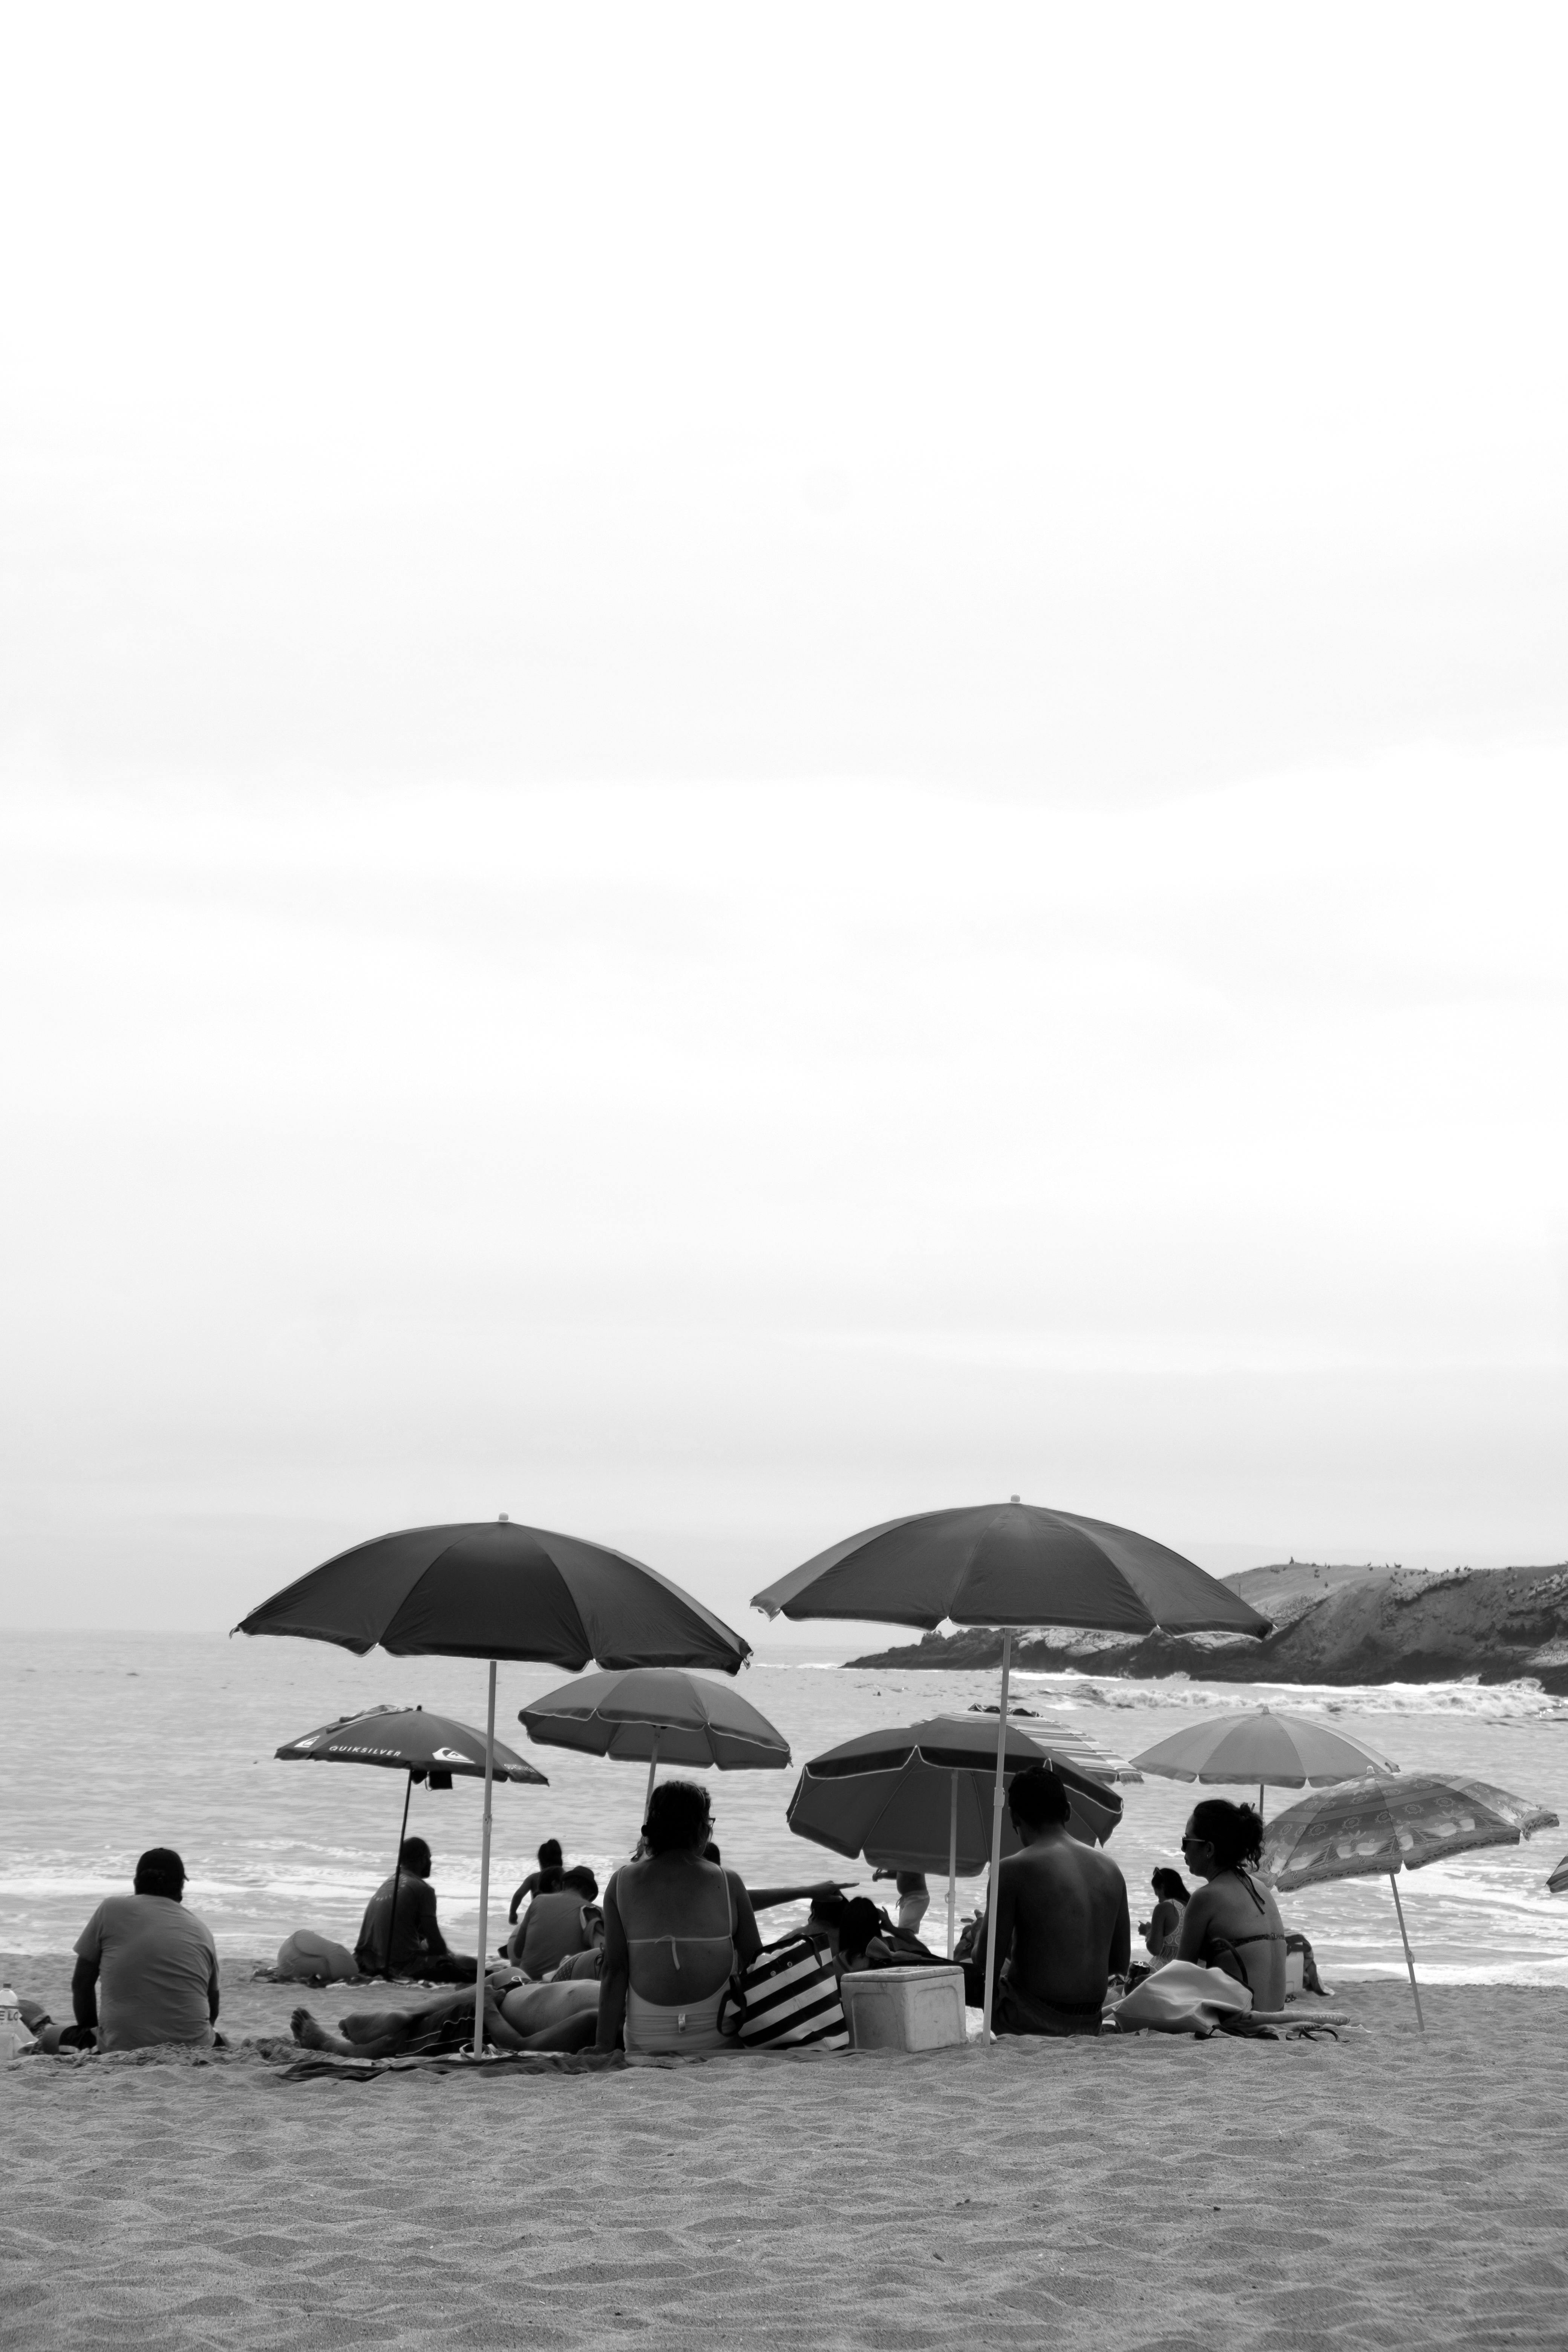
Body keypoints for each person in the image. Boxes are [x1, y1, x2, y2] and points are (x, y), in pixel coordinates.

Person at [596, 1780, 761, 2055]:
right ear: (701, 1828)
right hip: (719, 2040)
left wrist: (602, 2046)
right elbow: (757, 1963)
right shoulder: (728, 1882)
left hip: (646, 2041)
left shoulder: (622, 1882)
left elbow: (615, 1970)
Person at [972, 1764, 1130, 2037]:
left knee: (964, 1966)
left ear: (1014, 1817)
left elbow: (987, 1964)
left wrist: (978, 1935)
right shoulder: (1111, 1870)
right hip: (1089, 2020)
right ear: (1067, 1810)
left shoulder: (1011, 1869)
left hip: (1030, 2017)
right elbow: (1118, 1964)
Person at [69, 1848, 220, 2053]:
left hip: (121, 2048)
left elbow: (81, 1984)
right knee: (221, 2039)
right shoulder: (202, 1930)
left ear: (136, 1883)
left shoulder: (111, 1909)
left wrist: (89, 2031)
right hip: (195, 2048)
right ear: (181, 1887)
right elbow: (212, 2006)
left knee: (52, 2037)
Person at [291, 1970, 600, 2058]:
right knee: (507, 1973)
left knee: (401, 2039)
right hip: (517, 1991)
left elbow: (523, 2047)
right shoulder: (614, 2012)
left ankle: (339, 2048)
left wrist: (487, 2009)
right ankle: (409, 2011)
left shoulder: (599, 2019)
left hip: (486, 2019)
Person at [1175, 1800, 1287, 2008]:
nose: (1183, 1850)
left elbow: (1181, 1977)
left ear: (1208, 1849)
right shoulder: (1262, 1889)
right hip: (1276, 2015)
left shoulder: (1205, 1897)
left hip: (1242, 2022)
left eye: (1186, 1841)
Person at [354, 1838, 475, 1982]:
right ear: (423, 1859)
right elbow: (438, 1946)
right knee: (471, 1966)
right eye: (430, 1858)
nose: (431, 1863)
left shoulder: (390, 1883)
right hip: (400, 1966)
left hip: (367, 1962)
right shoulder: (424, 1890)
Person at [511, 1866, 602, 1976]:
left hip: (526, 1981)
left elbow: (518, 1952)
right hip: (562, 1983)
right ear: (591, 1895)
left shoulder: (538, 1901)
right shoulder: (593, 1911)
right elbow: (601, 1955)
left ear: (564, 1885)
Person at [508, 1839, 565, 1926]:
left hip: (538, 1920)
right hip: (561, 1919)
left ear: (541, 1862)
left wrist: (513, 1914)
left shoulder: (534, 1878)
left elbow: (519, 1895)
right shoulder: (566, 1877)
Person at [1140, 1867, 1190, 1962]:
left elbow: (1155, 1949)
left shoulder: (1163, 1908)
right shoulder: (1191, 1905)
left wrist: (1147, 1932)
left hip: (1166, 1970)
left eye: (1157, 1894)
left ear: (1162, 1888)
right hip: (1188, 1968)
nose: (1159, 1900)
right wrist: (1154, 1929)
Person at [873, 1869, 931, 1937]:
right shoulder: (902, 1863)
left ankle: (916, 1947)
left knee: (905, 1932)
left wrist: (892, 1866)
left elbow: (913, 1872)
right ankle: (911, 1947)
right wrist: (883, 1875)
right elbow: (899, 1873)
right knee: (905, 1932)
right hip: (908, 1898)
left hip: (917, 1899)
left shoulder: (914, 1861)